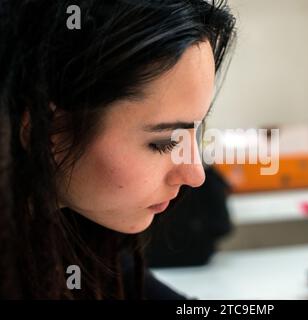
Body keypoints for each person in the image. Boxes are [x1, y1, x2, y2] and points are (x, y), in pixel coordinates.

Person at [0, 0, 236, 299]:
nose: (195, 175)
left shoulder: (80, 241)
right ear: (47, 131)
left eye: (195, 132)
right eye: (163, 142)